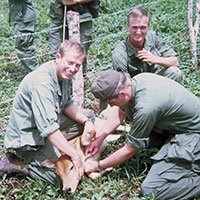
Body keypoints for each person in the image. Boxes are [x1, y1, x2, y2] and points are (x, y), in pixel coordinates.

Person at [84, 69, 200, 200]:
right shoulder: (136, 81)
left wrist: (98, 165)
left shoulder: (146, 108)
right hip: (176, 126)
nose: (110, 105)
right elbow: (120, 112)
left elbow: (130, 150)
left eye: (110, 102)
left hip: (193, 135)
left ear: (122, 93)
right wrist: (99, 139)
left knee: (151, 189)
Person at [1, 40, 96, 186]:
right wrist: (75, 156)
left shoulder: (64, 74)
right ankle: (21, 164)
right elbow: (49, 129)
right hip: (29, 139)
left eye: (77, 65)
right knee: (59, 176)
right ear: (58, 58)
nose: (73, 68)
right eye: (70, 62)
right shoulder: (42, 84)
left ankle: (61, 146)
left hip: (49, 124)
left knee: (89, 116)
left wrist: (86, 122)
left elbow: (67, 104)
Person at [112, 7, 182, 83]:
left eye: (142, 27)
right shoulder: (120, 53)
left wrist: (155, 59)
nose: (138, 32)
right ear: (128, 26)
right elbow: (125, 85)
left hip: (154, 79)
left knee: (175, 73)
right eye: (134, 27)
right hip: (136, 87)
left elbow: (175, 62)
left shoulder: (153, 37)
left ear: (148, 26)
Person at [49, 0, 99, 75]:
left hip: (82, 14)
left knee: (79, 55)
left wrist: (75, 1)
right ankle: (56, 83)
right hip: (59, 14)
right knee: (56, 55)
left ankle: (80, 84)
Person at [9, 0, 39, 73]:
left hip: (24, 15)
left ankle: (37, 77)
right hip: (20, 14)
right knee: (23, 47)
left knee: (24, 47)